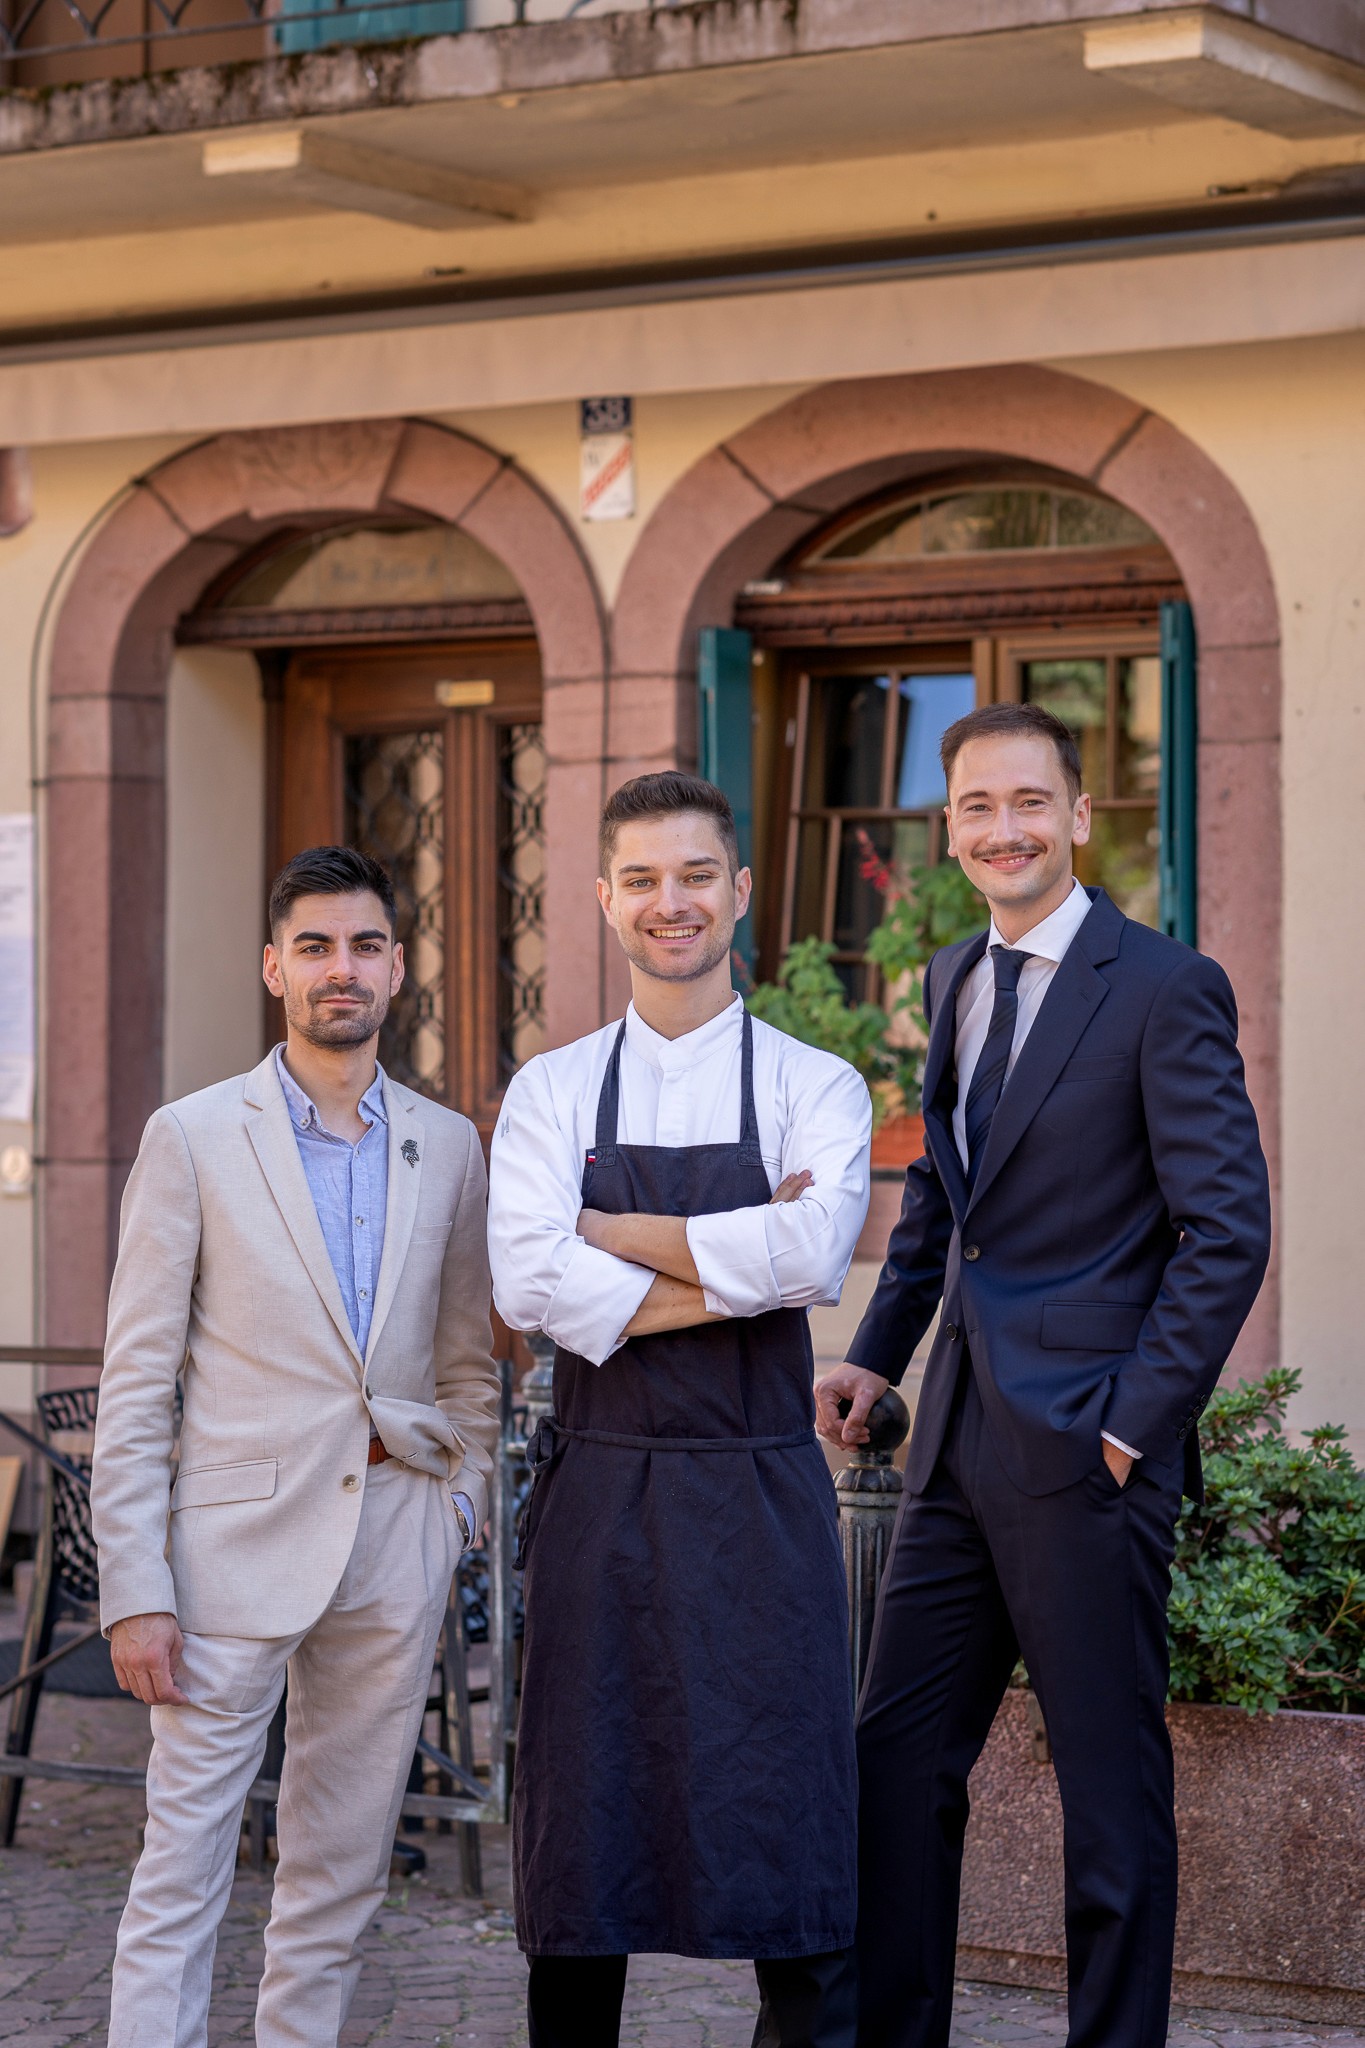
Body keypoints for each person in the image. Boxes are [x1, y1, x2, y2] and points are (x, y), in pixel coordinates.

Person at [818, 702, 1272, 2048]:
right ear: (950, 827)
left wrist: (1130, 1428)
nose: (1002, 828)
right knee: (896, 1763)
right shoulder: (955, 974)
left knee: (1108, 1797)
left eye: (1029, 801)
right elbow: (944, 1196)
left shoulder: (1165, 987)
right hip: (954, 1442)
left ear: (1078, 815)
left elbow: (1226, 1231)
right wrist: (875, 1352)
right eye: (976, 805)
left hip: (1087, 1457)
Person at [91, 844, 500, 2048]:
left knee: (339, 1873)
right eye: (314, 946)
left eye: (365, 944)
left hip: (394, 1544)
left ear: (398, 967)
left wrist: (456, 1506)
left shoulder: (448, 1144)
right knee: (180, 1872)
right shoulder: (192, 1135)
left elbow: (468, 1361)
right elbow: (136, 1381)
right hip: (227, 1558)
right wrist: (135, 1587)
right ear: (274, 967)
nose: (341, 968)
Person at [489, 771, 872, 2048]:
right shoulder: (551, 1088)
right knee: (583, 1831)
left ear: (740, 889)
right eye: (644, 878)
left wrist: (609, 1234)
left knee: (791, 1821)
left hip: (762, 1490)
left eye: (697, 874)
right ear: (605, 897)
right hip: (600, 1492)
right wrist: (736, 1258)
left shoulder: (817, 1081)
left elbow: (816, 1255)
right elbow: (526, 1283)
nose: (673, 901)